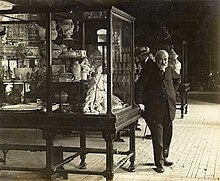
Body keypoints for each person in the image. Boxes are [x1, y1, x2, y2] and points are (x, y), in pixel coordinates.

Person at [136, 49, 180, 173]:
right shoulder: (149, 71)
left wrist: (171, 93)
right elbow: (139, 86)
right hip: (154, 111)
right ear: (156, 59)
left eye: (165, 59)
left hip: (168, 110)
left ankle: (164, 157)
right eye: (161, 59)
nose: (163, 62)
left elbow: (177, 80)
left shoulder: (170, 70)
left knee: (168, 136)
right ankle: (159, 163)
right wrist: (140, 102)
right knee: (158, 138)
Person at [134, 46, 153, 137]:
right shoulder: (147, 64)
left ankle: (154, 133)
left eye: (139, 56)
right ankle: (154, 132)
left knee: (147, 114)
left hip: (149, 95)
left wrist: (140, 101)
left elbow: (142, 84)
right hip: (149, 94)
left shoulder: (148, 65)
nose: (137, 59)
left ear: (143, 56)